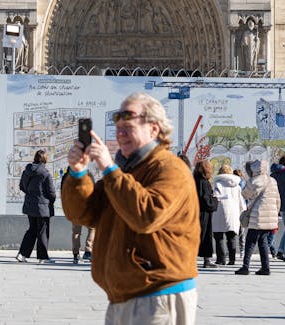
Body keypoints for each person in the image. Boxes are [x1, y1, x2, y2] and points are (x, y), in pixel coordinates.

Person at [61, 92, 200, 324]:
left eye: (128, 125)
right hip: (125, 296)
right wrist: (77, 173)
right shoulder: (127, 170)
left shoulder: (169, 168)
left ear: (154, 129)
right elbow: (83, 213)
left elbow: (146, 215)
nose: (120, 132)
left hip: (158, 294)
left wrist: (109, 168)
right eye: (118, 126)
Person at [235, 159, 280, 276]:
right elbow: (277, 200)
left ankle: (245, 267)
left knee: (250, 241)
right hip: (270, 217)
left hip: (257, 216)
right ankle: (265, 267)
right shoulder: (273, 181)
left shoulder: (253, 181)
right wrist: (274, 213)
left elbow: (245, 194)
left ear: (254, 169)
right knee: (263, 241)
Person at [17, 149, 56, 263]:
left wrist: (31, 195)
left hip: (30, 205)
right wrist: (51, 201)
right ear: (44, 159)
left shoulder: (27, 171)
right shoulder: (45, 173)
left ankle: (22, 254)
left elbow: (22, 186)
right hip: (43, 207)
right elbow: (51, 192)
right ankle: (42, 258)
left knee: (32, 230)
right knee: (42, 231)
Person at [212, 159, 243, 266]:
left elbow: (215, 197)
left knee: (218, 236)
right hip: (233, 213)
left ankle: (221, 259)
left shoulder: (218, 184)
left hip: (219, 212)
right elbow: (241, 202)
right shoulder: (237, 186)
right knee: (231, 236)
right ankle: (232, 259)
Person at [193, 159, 218, 268]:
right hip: (203, 212)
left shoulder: (194, 179)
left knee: (195, 235)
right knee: (204, 235)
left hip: (194, 211)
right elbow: (205, 199)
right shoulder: (203, 182)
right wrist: (215, 201)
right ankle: (206, 259)